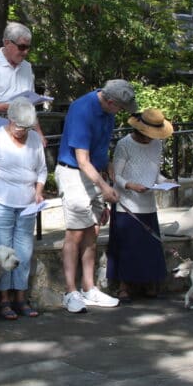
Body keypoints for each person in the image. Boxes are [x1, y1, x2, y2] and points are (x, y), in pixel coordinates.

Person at [56, 79, 137, 314]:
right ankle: (70, 292)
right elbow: (81, 159)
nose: (120, 113)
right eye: (120, 108)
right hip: (74, 174)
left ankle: (89, 288)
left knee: (92, 230)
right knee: (75, 233)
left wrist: (108, 165)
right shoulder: (83, 110)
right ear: (110, 101)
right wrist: (103, 186)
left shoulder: (108, 111)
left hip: (94, 174)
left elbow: (99, 147)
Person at [0, 97, 47, 320]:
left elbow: (42, 170)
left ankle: (21, 298)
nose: (22, 131)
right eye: (18, 126)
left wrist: (39, 191)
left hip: (26, 203)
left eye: (26, 128)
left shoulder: (34, 139)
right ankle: (4, 300)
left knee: (23, 252)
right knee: (2, 251)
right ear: (10, 119)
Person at [106, 108, 173, 302]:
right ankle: (124, 286)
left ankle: (150, 282)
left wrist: (164, 182)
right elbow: (116, 175)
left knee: (149, 246)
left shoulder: (157, 145)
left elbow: (154, 172)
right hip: (127, 203)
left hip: (148, 202)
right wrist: (130, 185)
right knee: (128, 246)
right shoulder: (124, 144)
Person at [0, 22, 45, 153]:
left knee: (20, 170)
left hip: (22, 126)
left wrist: (38, 132)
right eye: (22, 47)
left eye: (28, 47)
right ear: (7, 43)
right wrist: (8, 107)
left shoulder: (27, 67)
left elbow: (29, 105)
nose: (25, 52)